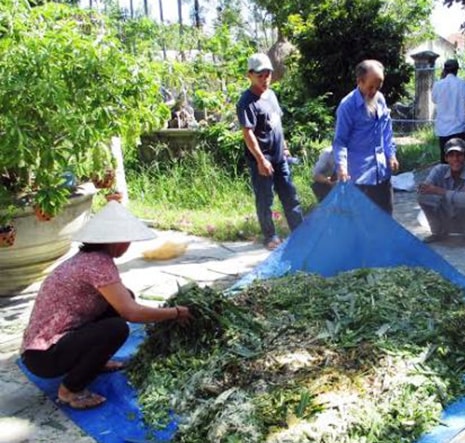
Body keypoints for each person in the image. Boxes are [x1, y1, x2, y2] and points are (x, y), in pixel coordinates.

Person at [20, 201, 193, 410]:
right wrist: (175, 313)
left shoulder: (87, 258)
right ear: (117, 241)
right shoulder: (98, 264)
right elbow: (131, 312)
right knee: (116, 329)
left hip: (45, 348)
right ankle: (69, 391)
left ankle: (94, 362)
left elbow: (123, 300)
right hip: (45, 356)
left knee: (123, 297)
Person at [236, 53, 303, 250]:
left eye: (268, 75)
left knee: (290, 195)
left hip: (279, 157)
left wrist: (285, 148)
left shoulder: (271, 95)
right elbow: (248, 134)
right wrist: (260, 160)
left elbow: (277, 125)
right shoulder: (246, 102)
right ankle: (270, 236)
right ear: (250, 75)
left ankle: (300, 231)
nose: (265, 79)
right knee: (265, 199)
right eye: (260, 76)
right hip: (262, 160)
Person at [333, 59, 399, 214]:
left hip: (382, 174)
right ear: (359, 82)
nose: (374, 91)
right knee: (363, 225)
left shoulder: (380, 100)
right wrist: (342, 167)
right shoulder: (347, 106)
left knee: (386, 221)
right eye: (371, 87)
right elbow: (340, 141)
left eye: (378, 86)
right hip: (359, 177)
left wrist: (391, 155)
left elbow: (387, 132)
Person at [417, 138, 465, 247]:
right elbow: (426, 188)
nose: (455, 159)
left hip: (464, 217)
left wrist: (439, 191)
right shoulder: (439, 170)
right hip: (446, 215)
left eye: (459, 155)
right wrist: (424, 187)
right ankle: (437, 232)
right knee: (423, 197)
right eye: (451, 155)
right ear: (446, 158)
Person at [432, 59, 465, 163]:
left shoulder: (438, 85)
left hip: (443, 131)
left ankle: (446, 178)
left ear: (444, 70)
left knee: (446, 161)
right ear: (457, 70)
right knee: (459, 161)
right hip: (458, 130)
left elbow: (434, 99)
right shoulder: (462, 84)